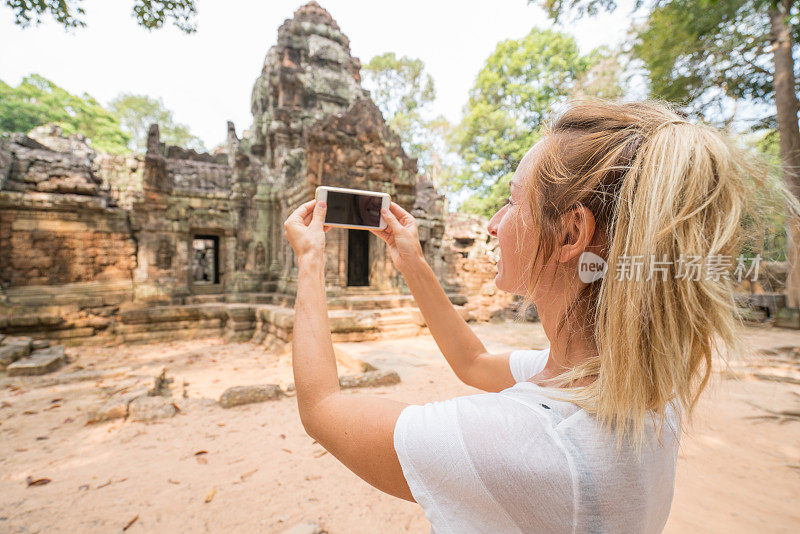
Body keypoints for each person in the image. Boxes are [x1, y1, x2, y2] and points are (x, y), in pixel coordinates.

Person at [283, 99, 792, 533]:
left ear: (571, 234)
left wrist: (309, 262)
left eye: (511, 201)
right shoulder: (635, 385)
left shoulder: (525, 444)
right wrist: (412, 260)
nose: (491, 223)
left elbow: (322, 410)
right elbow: (474, 362)